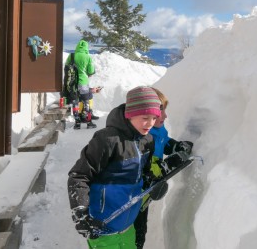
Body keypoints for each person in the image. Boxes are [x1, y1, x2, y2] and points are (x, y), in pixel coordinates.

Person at [67, 86, 167, 248]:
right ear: (130, 114)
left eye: (154, 118)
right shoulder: (107, 140)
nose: (150, 123)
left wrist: (154, 182)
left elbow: (143, 173)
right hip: (102, 227)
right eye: (145, 117)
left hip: (128, 225)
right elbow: (79, 176)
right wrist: (81, 215)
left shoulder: (147, 140)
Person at [133, 87, 194, 249]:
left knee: (141, 231)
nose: (165, 116)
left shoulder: (159, 130)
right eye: (161, 111)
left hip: (144, 197)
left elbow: (164, 142)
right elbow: (149, 170)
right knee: (135, 233)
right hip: (134, 196)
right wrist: (170, 164)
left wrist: (176, 146)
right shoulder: (143, 136)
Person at [65, 39, 98, 129]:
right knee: (86, 102)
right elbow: (90, 71)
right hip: (83, 82)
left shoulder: (71, 55)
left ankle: (77, 123)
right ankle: (88, 122)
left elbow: (66, 67)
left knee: (75, 102)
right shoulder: (88, 57)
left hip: (72, 83)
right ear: (86, 47)